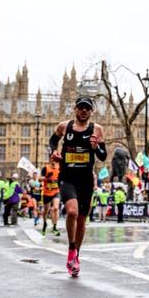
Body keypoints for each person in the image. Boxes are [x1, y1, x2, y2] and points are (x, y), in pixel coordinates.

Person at [49, 96, 106, 278]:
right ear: (75, 109)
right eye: (81, 107)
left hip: (86, 179)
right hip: (67, 176)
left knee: (81, 220)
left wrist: (96, 147)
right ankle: (71, 249)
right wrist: (54, 152)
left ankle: (75, 256)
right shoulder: (64, 126)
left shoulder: (97, 129)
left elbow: (103, 156)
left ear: (91, 111)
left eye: (87, 108)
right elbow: (52, 141)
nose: (83, 110)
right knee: (72, 212)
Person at [41, 158, 61, 236]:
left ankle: (54, 227)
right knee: (46, 211)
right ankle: (44, 224)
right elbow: (40, 179)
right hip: (47, 192)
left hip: (56, 191)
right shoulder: (45, 168)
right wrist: (46, 178)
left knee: (55, 208)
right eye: (53, 160)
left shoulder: (59, 168)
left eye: (56, 160)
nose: (54, 162)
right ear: (50, 160)